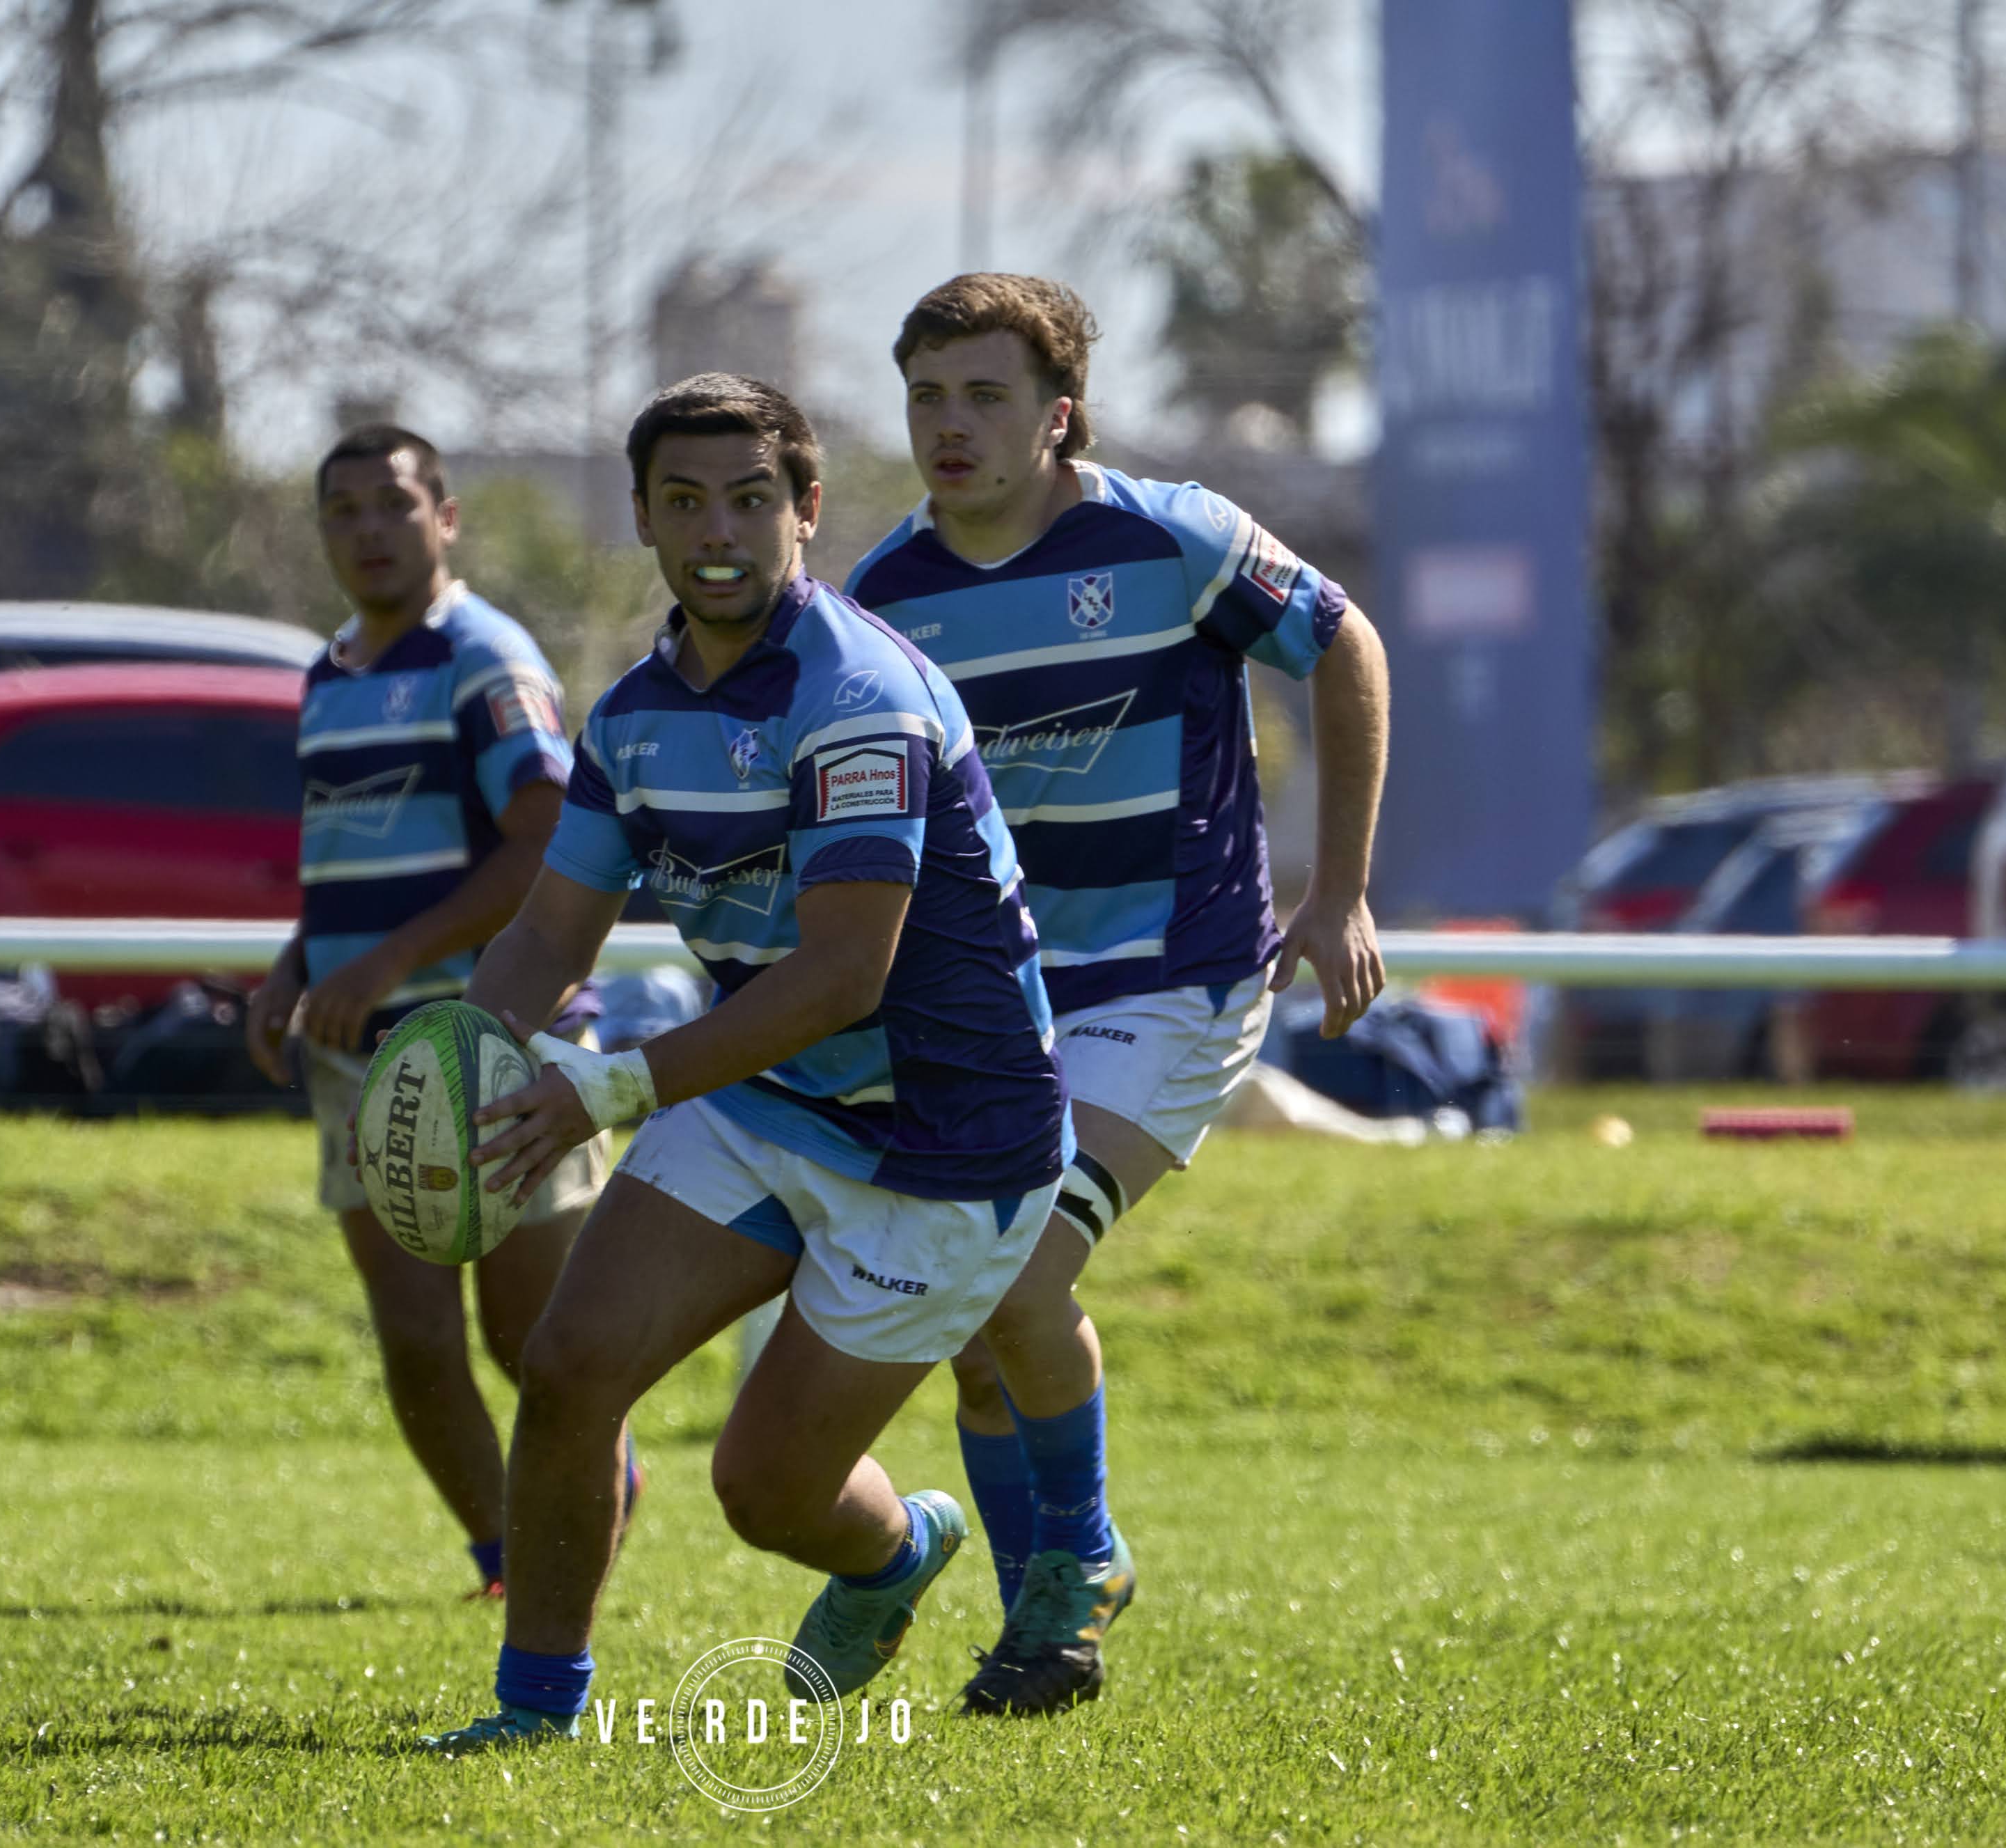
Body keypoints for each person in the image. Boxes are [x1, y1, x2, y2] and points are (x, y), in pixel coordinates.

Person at [412, 373, 1071, 1752]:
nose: (720, 529)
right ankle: (535, 1708)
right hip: (771, 1095)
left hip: (946, 1144)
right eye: (685, 499)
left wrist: (622, 1081)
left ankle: (896, 1552)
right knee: (572, 1357)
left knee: (764, 1494)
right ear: (644, 519)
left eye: (752, 497)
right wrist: (465, 1059)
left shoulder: (859, 692)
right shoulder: (635, 717)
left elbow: (846, 972)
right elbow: (547, 929)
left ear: (807, 510)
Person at [846, 274, 1391, 1716]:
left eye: (985, 396)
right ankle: (1046, 1639)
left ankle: (1078, 1557)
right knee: (972, 1332)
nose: (950, 427)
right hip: (997, 1001)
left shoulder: (1171, 536)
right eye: (927, 397)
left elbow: (1346, 642)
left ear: (1058, 411)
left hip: (1177, 979)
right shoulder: (885, 600)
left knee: (1019, 1272)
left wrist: (1336, 892)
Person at [244, 423, 622, 1603]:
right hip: (360, 1054)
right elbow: (346, 863)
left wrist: (396, 959)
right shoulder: (327, 676)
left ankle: (576, 1540)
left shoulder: (484, 657)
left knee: (535, 1349)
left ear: (444, 518)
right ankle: (513, 1559)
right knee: (416, 1348)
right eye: (342, 510)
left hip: (498, 1045)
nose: (367, 530)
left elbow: (547, 847)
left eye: (392, 505)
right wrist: (298, 966)